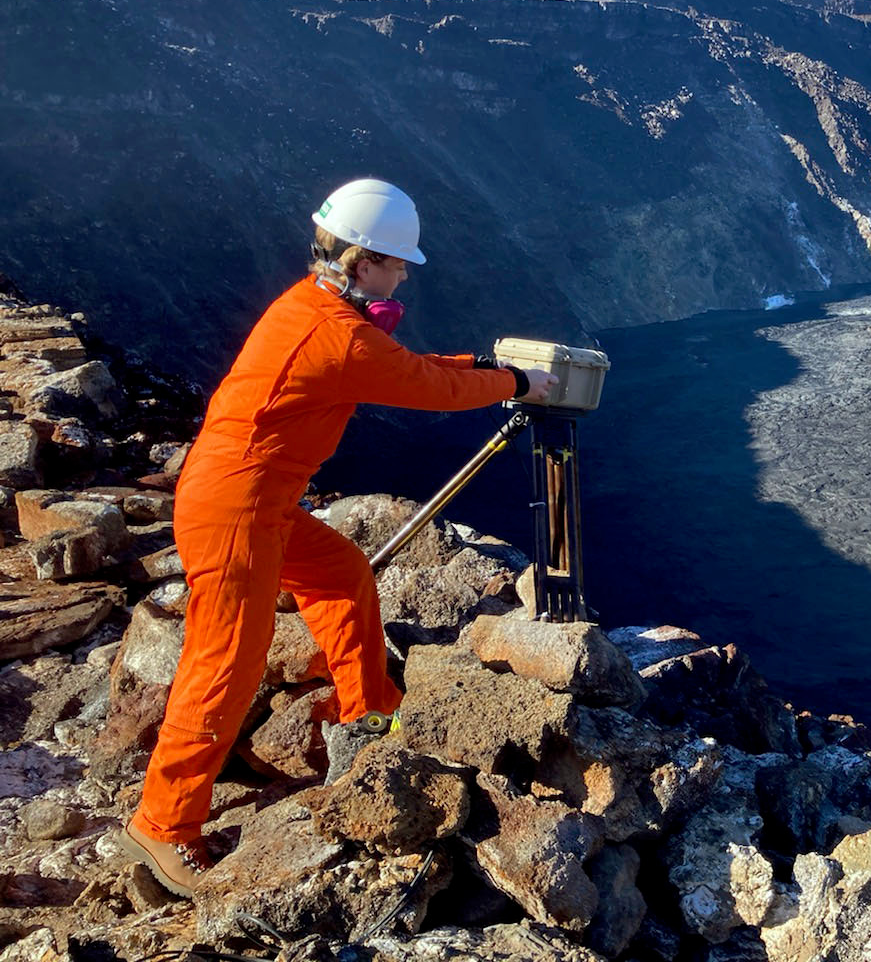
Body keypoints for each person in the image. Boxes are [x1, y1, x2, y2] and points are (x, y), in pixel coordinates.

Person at [118, 178, 555, 897]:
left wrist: (485, 368)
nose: (404, 273)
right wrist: (515, 383)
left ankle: (368, 715)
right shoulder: (336, 333)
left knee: (341, 575)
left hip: (250, 495)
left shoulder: (315, 308)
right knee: (225, 662)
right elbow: (424, 389)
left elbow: (408, 369)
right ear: (360, 261)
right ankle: (164, 826)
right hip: (239, 508)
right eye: (395, 262)